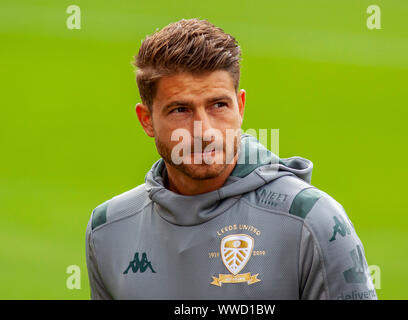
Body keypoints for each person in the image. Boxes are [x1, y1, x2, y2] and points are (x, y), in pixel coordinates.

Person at [85, 18, 377, 300]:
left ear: (240, 107)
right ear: (146, 120)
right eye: (180, 110)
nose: (204, 131)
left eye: (218, 105)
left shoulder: (311, 221)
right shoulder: (109, 230)